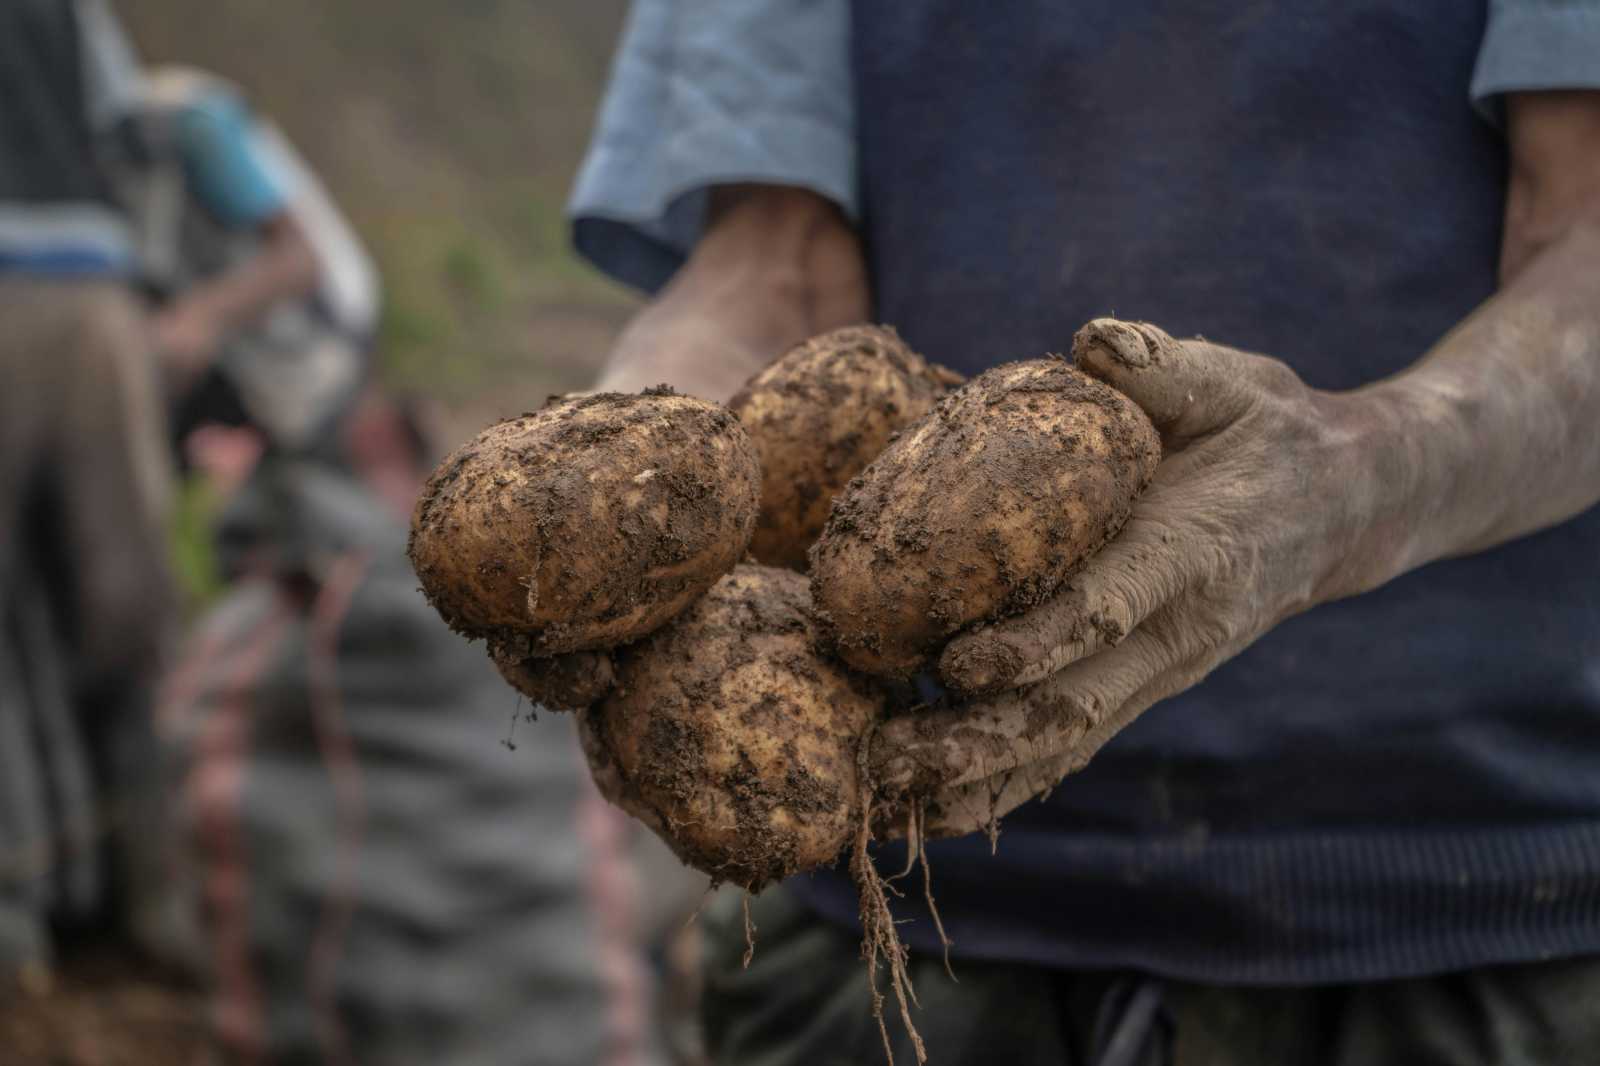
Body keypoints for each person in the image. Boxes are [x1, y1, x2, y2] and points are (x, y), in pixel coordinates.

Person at [552, 2, 1600, 1063]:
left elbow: (1583, 238)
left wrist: (1364, 469)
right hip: (899, 905)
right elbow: (772, 264)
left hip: (1467, 888)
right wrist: (603, 491)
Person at [0, 0, 178, 976]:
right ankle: (161, 890)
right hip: (95, 298)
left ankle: (19, 908)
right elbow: (138, 133)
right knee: (130, 594)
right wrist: (144, 280)